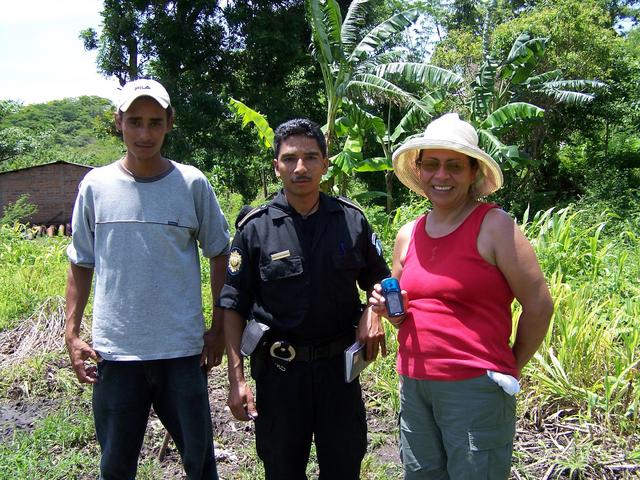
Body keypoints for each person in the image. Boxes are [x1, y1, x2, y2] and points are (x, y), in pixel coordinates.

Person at [369, 113, 554, 479]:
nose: (441, 176)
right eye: (432, 165)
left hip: (474, 386)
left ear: (473, 173)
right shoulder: (408, 233)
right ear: (419, 170)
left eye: (454, 166)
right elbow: (404, 313)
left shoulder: (494, 226)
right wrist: (390, 312)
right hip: (414, 383)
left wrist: (511, 364)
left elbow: (539, 304)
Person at [64, 78, 230, 480]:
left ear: (170, 123)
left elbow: (219, 253)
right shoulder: (95, 186)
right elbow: (80, 262)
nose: (144, 133)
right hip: (116, 353)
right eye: (135, 121)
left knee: (200, 464)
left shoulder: (192, 184)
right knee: (116, 466)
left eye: (155, 122)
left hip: (182, 353)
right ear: (118, 122)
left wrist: (219, 329)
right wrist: (71, 332)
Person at [218, 118, 391, 479]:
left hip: (339, 374)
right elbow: (232, 306)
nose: (301, 167)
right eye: (290, 158)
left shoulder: (352, 221)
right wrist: (236, 380)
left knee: (343, 468)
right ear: (276, 166)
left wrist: (373, 312)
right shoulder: (255, 228)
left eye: (311, 157)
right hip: (280, 373)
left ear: (326, 164)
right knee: (282, 470)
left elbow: (382, 281)